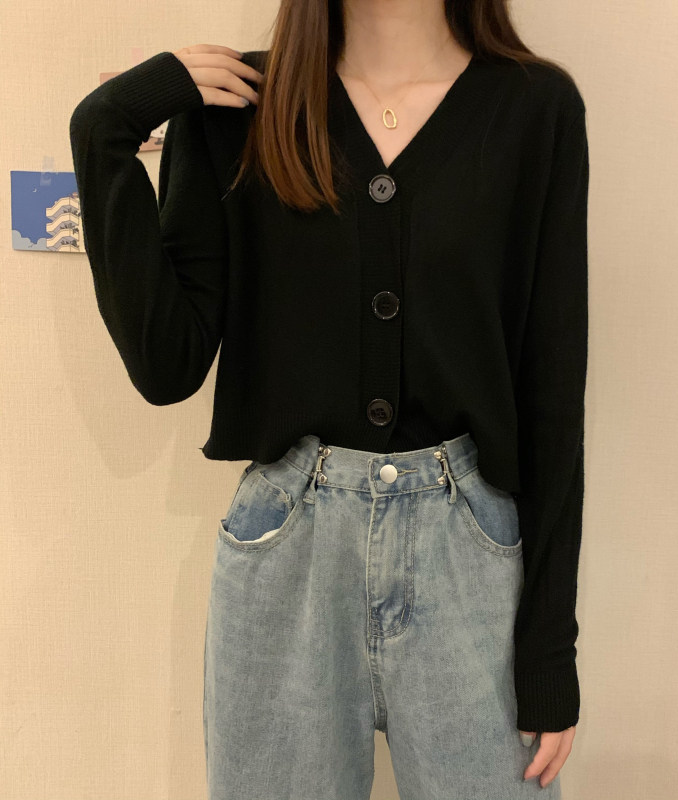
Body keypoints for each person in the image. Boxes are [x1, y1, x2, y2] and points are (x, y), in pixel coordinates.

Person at [68, 1, 589, 797]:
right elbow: (165, 364)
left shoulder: (534, 108)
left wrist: (550, 649)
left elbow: (550, 390)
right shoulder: (240, 107)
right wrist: (104, 126)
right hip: (287, 550)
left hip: (469, 556)